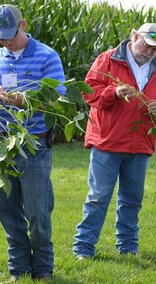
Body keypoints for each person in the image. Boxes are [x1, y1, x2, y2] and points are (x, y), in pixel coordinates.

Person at [0, 4, 66, 283]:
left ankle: (43, 268)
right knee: (6, 209)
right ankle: (19, 269)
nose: (6, 42)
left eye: (10, 35)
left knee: (38, 211)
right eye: (1, 37)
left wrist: (19, 99)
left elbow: (57, 102)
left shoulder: (46, 57)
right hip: (2, 146)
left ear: (24, 25)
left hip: (34, 145)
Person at [73, 23, 156, 260]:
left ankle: (128, 248)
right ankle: (84, 248)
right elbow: (87, 91)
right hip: (107, 141)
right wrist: (114, 93)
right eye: (147, 45)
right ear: (134, 37)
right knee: (98, 197)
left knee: (132, 199)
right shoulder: (108, 59)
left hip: (140, 143)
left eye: (155, 49)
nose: (150, 52)